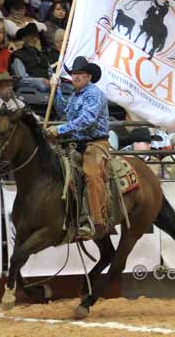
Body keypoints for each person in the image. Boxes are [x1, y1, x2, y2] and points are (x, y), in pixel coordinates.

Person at [47, 56, 109, 239]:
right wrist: (55, 89)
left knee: (91, 173)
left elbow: (87, 120)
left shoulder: (94, 94)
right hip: (76, 144)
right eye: (74, 73)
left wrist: (59, 129)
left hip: (96, 143)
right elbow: (63, 110)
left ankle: (96, 221)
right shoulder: (75, 96)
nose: (76, 77)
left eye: (80, 73)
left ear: (89, 76)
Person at [11, 23, 51, 93]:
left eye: (36, 36)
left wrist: (54, 80)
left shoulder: (43, 56)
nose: (34, 39)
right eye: (30, 36)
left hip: (47, 83)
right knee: (43, 86)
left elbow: (50, 72)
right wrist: (40, 80)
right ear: (24, 38)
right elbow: (21, 78)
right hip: (30, 88)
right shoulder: (18, 55)